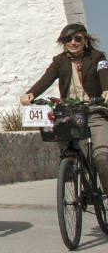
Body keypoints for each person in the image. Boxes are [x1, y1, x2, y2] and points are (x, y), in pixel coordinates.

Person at [20, 22, 108, 188]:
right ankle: (79, 179)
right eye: (68, 39)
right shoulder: (59, 61)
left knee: (102, 156)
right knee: (68, 149)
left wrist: (106, 90)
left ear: (85, 40)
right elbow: (46, 79)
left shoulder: (98, 57)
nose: (73, 42)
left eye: (77, 38)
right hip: (72, 112)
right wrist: (31, 94)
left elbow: (104, 73)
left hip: (95, 111)